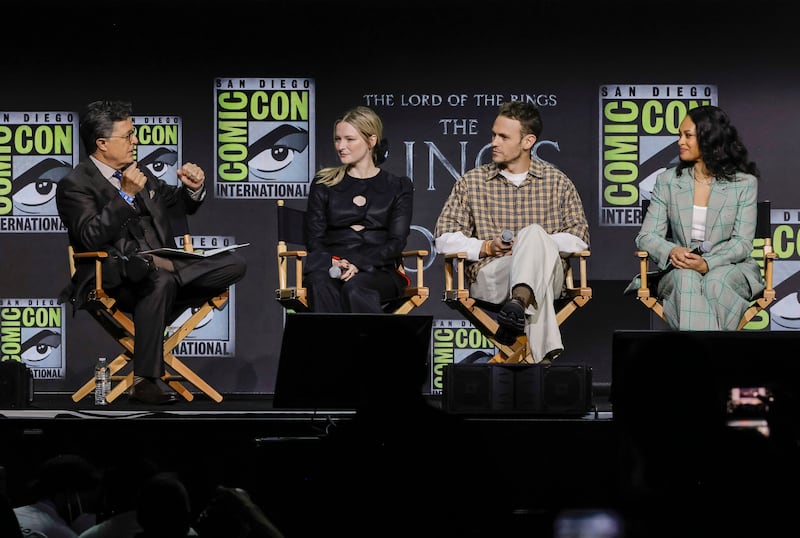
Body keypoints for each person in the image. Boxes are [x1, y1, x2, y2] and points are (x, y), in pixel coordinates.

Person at [56, 100, 247, 405]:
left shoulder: (138, 172)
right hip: (113, 278)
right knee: (157, 280)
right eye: (128, 135)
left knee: (233, 264)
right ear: (102, 144)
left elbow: (175, 203)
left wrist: (193, 188)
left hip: (160, 274)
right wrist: (124, 196)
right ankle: (146, 381)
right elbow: (90, 237)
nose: (136, 141)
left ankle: (168, 277)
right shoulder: (74, 185)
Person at [434, 101, 589, 363]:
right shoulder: (472, 182)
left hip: (548, 278)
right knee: (534, 245)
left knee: (534, 234)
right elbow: (443, 239)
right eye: (494, 135)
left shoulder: (557, 182)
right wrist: (486, 247)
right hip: (494, 276)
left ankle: (518, 305)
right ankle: (540, 355)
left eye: (504, 136)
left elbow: (579, 239)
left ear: (528, 141)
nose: (494, 142)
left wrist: (534, 242)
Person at [631, 105, 763, 330]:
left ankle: (693, 360)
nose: (680, 141)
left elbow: (742, 243)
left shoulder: (744, 183)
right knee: (686, 280)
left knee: (715, 282)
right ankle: (710, 362)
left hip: (730, 268)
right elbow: (647, 236)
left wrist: (707, 263)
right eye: (680, 135)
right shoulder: (668, 181)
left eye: (688, 135)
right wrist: (672, 251)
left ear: (710, 138)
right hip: (680, 269)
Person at [303, 105, 413, 312]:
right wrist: (335, 262)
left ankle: (365, 344)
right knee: (320, 282)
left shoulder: (398, 186)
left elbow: (397, 242)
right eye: (338, 139)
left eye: (349, 139)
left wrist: (359, 264)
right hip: (331, 266)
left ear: (371, 141)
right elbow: (314, 240)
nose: (340, 146)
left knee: (356, 288)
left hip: (379, 269)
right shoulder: (324, 182)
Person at [13, 454, 100, 538]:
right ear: (69, 493)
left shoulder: (13, 513)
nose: (86, 512)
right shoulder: (59, 531)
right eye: (86, 502)